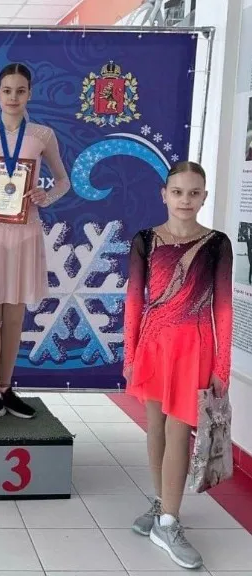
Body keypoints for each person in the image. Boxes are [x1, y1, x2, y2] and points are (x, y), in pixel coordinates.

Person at [124, 161, 233, 570]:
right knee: (155, 426)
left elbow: (224, 308)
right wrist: (130, 356)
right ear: (164, 195)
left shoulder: (217, 244)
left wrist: (222, 365)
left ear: (204, 197)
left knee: (178, 431)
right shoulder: (145, 240)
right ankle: (160, 504)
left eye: (193, 193)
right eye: (178, 192)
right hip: (153, 346)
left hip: (194, 350)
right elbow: (134, 301)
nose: (185, 200)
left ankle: (169, 522)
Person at [0, 63, 70, 427]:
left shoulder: (42, 135)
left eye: (20, 90)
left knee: (14, 318)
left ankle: (6, 388)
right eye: (7, 90)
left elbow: (63, 181)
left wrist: (45, 195)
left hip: (25, 234)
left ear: (30, 94)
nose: (13, 97)